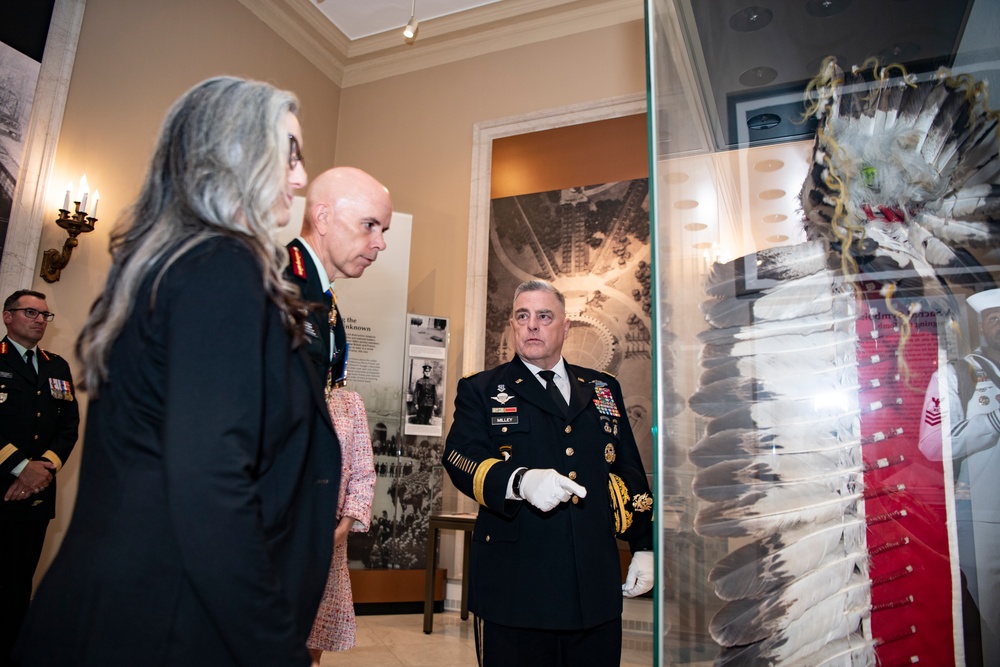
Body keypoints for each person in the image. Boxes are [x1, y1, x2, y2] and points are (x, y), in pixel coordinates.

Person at [14, 77, 340, 667]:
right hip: (165, 618)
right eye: (290, 153)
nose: (299, 177)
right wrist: (273, 647)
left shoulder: (181, 265)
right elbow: (211, 486)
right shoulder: (220, 269)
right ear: (235, 151)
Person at [442, 279, 654, 667]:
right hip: (517, 587)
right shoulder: (483, 389)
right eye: (522, 316)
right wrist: (519, 481)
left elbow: (628, 469)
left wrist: (644, 544)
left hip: (593, 583)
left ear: (565, 327)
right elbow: (459, 457)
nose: (532, 325)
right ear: (512, 326)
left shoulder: (603, 388)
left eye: (544, 316)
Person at [919, 288, 1000, 666]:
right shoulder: (957, 374)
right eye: (994, 319)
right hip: (986, 517)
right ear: (981, 326)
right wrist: (989, 425)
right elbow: (932, 445)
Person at [0, 291, 79, 667]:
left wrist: (41, 470)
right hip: (0, 489)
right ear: (7, 317)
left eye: (45, 315)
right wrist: (20, 467)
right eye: (30, 312)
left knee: (18, 584)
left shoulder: (57, 367)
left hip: (34, 497)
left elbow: (68, 427)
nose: (39, 320)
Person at [285, 167, 392, 393]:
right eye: (369, 225)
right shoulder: (277, 281)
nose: (381, 243)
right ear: (323, 217)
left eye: (383, 230)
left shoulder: (324, 298)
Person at [306, 388, 376, 665]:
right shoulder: (271, 379)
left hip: (329, 544)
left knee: (313, 643)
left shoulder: (348, 401)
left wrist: (343, 528)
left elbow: (363, 472)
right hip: (275, 537)